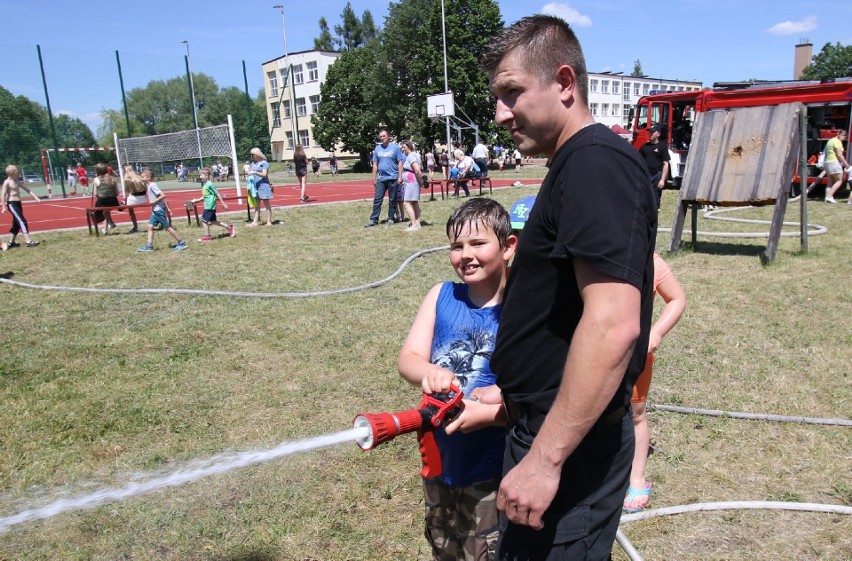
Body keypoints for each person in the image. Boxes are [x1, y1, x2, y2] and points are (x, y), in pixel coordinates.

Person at [481, 15, 657, 560]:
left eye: (511, 94)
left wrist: (546, 459)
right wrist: (515, 399)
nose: (500, 115)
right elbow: (565, 315)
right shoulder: (575, 163)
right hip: (547, 430)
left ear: (563, 83)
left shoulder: (594, 164)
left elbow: (613, 323)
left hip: (568, 454)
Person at [397, 198, 517, 561]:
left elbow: (538, 394)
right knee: (443, 541)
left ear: (508, 247)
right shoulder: (441, 295)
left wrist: (494, 414)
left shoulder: (522, 308)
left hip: (492, 468)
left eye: (478, 243)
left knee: (486, 549)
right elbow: (408, 359)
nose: (466, 254)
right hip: (440, 457)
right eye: (456, 245)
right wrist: (428, 371)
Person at [622, 253, 685, 513]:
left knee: (636, 413)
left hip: (636, 355)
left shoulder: (650, 260)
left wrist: (656, 331)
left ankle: (636, 476)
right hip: (596, 352)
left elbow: (677, 298)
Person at [137, 168, 187, 252]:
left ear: (148, 177)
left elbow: (163, 196)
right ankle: (149, 246)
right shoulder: (148, 186)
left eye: (142, 177)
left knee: (167, 227)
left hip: (158, 210)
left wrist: (154, 202)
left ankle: (181, 243)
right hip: (155, 210)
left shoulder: (152, 185)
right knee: (150, 226)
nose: (141, 178)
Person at [364, 127, 404, 227]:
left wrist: (400, 177)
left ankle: (391, 218)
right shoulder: (377, 149)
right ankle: (373, 219)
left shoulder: (395, 148)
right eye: (380, 136)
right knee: (377, 199)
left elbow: (400, 163)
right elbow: (375, 164)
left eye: (384, 136)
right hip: (381, 179)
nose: (382, 138)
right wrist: (374, 178)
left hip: (393, 178)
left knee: (392, 200)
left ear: (388, 136)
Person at [191, 167, 235, 241]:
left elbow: (217, 194)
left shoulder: (210, 184)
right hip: (208, 205)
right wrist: (197, 200)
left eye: (201, 175)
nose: (200, 176)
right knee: (213, 221)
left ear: (206, 176)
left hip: (210, 206)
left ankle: (207, 236)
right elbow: (205, 196)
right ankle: (229, 227)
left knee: (204, 220)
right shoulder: (205, 185)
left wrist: (224, 204)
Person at [1, 164, 40, 247]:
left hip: (18, 203)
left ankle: (11, 243)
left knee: (16, 224)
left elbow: (27, 189)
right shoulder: (7, 182)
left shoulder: (17, 181)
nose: (18, 173)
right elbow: (3, 196)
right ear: (12, 173)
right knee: (22, 221)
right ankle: (28, 241)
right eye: (17, 171)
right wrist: (3, 207)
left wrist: (35, 197)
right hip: (12, 204)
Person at [638, 124, 670, 209]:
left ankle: (655, 214)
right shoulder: (644, 147)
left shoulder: (662, 146)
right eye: (650, 132)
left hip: (657, 175)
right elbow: (638, 161)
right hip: (646, 175)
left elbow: (666, 163)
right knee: (645, 196)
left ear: (658, 134)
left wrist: (662, 180)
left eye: (652, 132)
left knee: (655, 198)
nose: (650, 134)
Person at [400, 141, 423, 232]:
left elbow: (417, 170)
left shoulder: (411, 156)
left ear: (409, 147)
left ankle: (413, 225)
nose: (403, 149)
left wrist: (420, 180)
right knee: (414, 202)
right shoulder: (416, 155)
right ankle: (417, 223)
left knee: (407, 203)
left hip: (412, 181)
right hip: (413, 181)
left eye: (404, 147)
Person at [247, 147, 273, 226]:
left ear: (257, 154)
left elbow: (264, 175)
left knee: (266, 204)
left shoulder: (264, 163)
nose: (251, 156)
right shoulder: (252, 163)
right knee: (256, 205)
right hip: (255, 186)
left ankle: (269, 221)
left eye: (252, 154)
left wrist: (255, 172)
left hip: (263, 185)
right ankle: (255, 221)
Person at [93, 163, 120, 234]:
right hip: (113, 201)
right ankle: (110, 223)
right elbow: (117, 193)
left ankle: (105, 229)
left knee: (102, 209)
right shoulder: (113, 178)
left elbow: (95, 194)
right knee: (105, 209)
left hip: (103, 201)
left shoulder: (96, 179)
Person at [823, 128, 849, 203]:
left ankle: (827, 197)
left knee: (830, 182)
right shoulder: (837, 142)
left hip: (827, 163)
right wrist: (846, 165)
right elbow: (839, 155)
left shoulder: (830, 140)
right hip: (834, 162)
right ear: (839, 135)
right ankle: (829, 196)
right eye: (844, 136)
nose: (844, 137)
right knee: (840, 180)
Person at [123, 164, 148, 234]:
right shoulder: (139, 178)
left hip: (133, 200)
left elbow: (127, 192)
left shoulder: (127, 179)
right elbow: (145, 188)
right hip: (143, 199)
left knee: (131, 211)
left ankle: (135, 227)